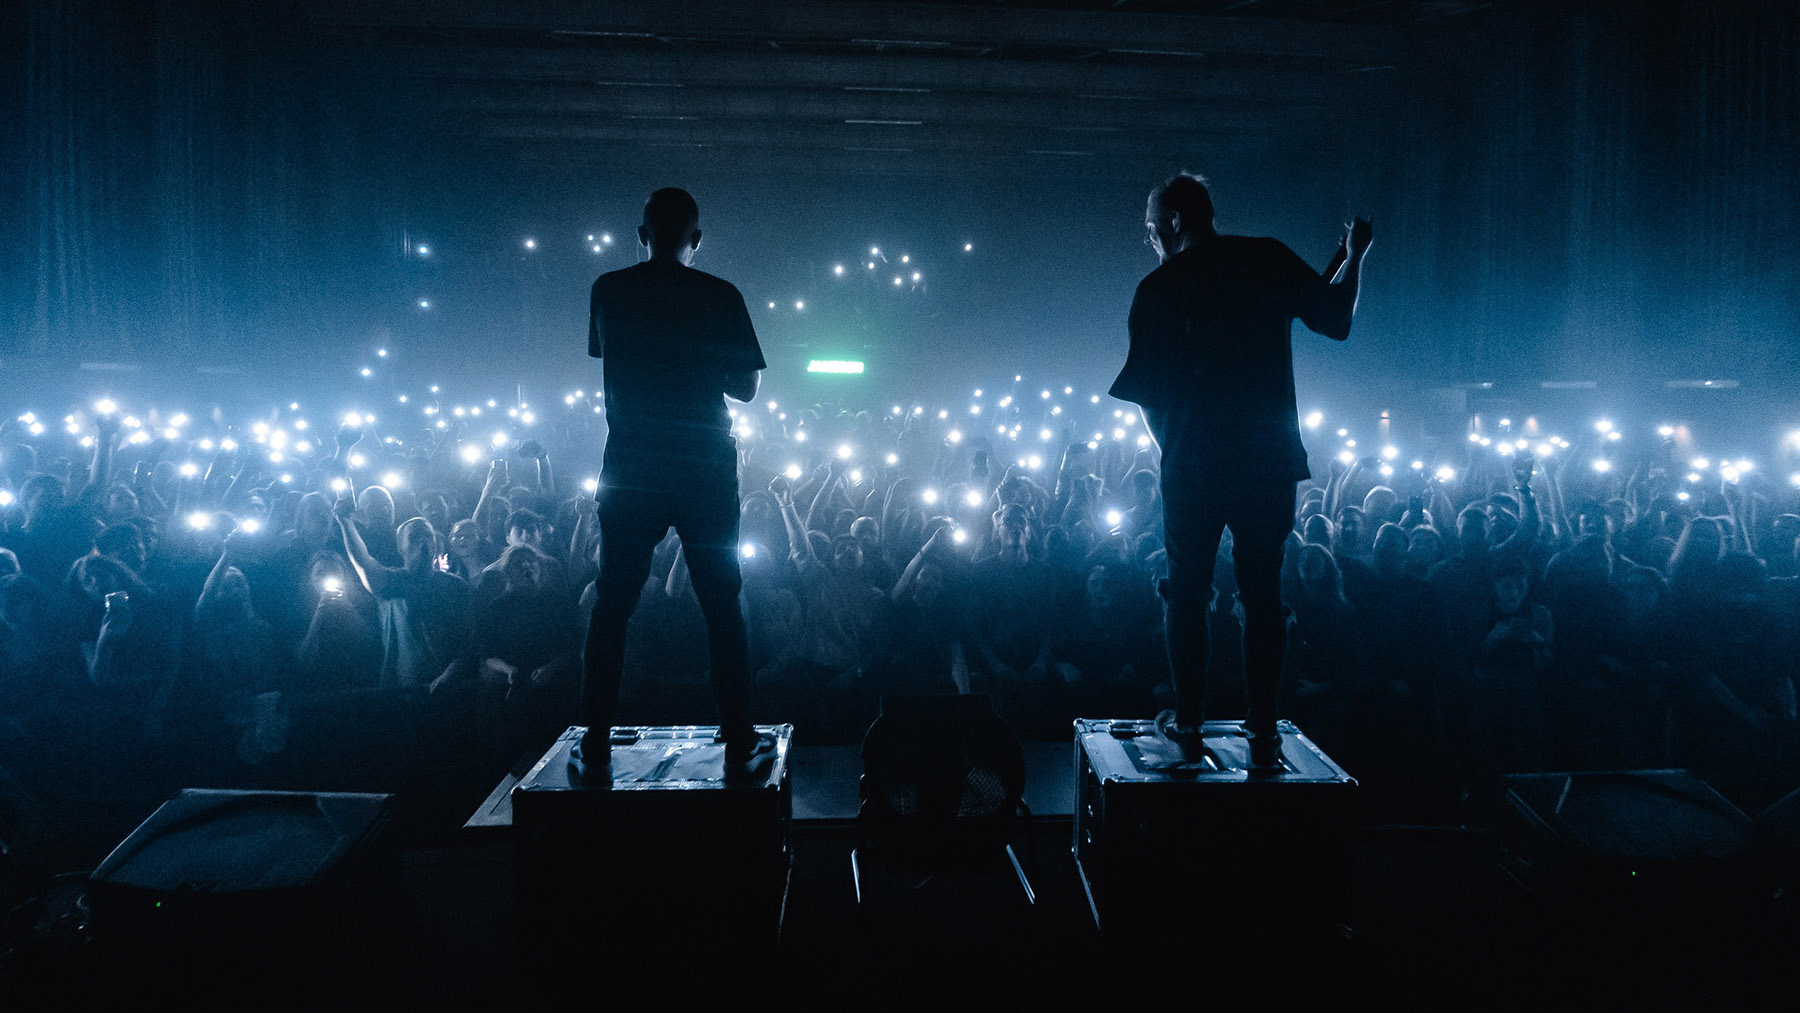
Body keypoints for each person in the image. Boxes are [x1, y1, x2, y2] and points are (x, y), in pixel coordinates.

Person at [1112, 171, 1371, 771]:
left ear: (1175, 221)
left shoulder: (1158, 287)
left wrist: (1175, 449)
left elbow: (1148, 396)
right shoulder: (1266, 258)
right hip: (1266, 460)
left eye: (1151, 226)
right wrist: (1356, 255)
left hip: (1194, 464)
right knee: (1262, 592)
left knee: (1186, 593)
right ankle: (1262, 722)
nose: (1149, 237)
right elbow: (1336, 318)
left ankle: (1189, 718)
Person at [578, 187, 775, 784]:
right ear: (697, 239)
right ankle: (739, 739)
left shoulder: (609, 289)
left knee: (614, 602)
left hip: (632, 464)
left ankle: (597, 741)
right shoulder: (721, 294)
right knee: (722, 603)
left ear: (641, 235)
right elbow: (746, 388)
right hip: (702, 465)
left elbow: (611, 356)